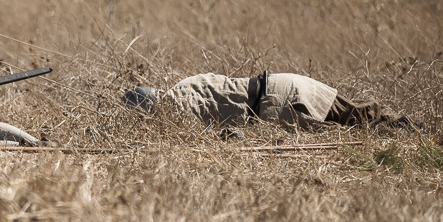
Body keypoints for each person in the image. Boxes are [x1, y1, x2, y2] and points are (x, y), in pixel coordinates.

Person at [122, 71, 419, 131]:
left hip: (275, 106)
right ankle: (407, 126)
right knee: (356, 114)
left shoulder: (177, 113)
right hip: (283, 82)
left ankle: (403, 131)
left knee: (349, 132)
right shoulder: (186, 83)